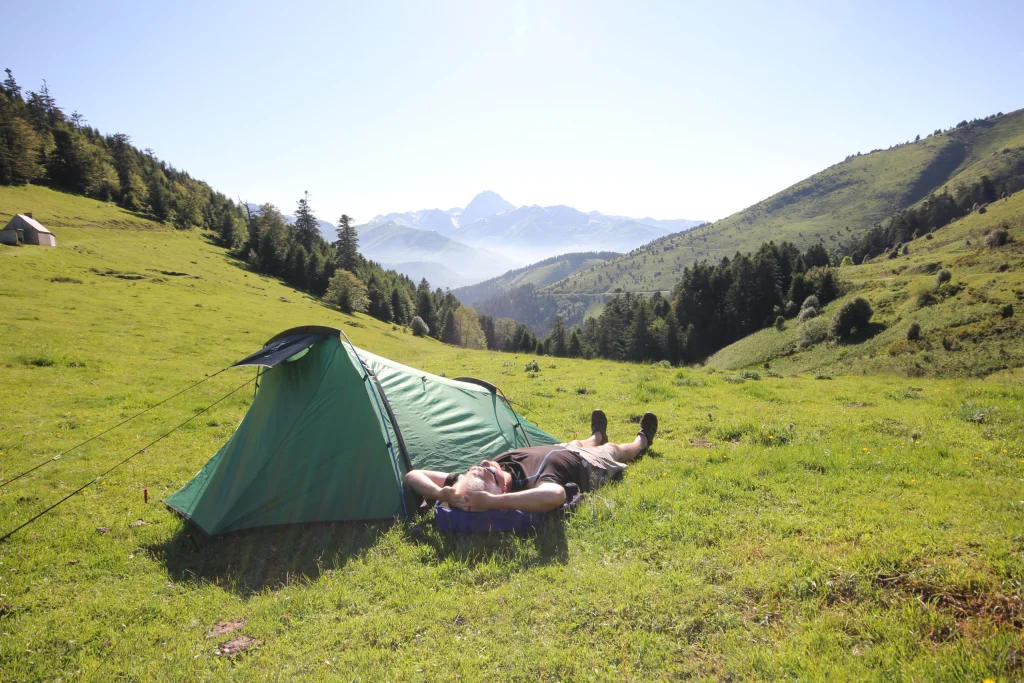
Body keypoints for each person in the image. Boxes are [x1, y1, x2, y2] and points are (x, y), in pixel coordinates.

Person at [405, 410, 658, 513]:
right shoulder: (530, 484)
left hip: (561, 449)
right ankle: (643, 440)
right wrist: (493, 502)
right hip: (587, 463)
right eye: (487, 472)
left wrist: (440, 492)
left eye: (476, 468)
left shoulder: (469, 485)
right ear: (501, 489)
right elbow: (556, 495)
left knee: (581, 441)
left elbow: (413, 475)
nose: (484, 463)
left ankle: (597, 435)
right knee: (615, 450)